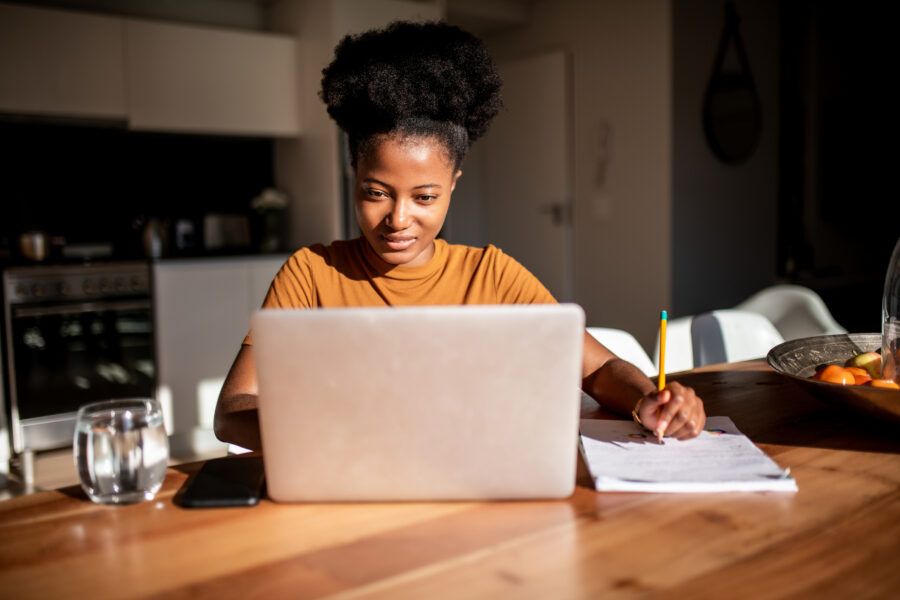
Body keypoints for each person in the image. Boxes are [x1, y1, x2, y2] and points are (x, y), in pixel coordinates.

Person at [214, 21, 705, 451]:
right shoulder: (311, 274)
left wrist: (650, 399)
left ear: (452, 187)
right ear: (353, 175)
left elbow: (598, 371)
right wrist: (327, 429)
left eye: (424, 197)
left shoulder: (491, 275)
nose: (399, 219)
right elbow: (233, 409)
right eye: (376, 193)